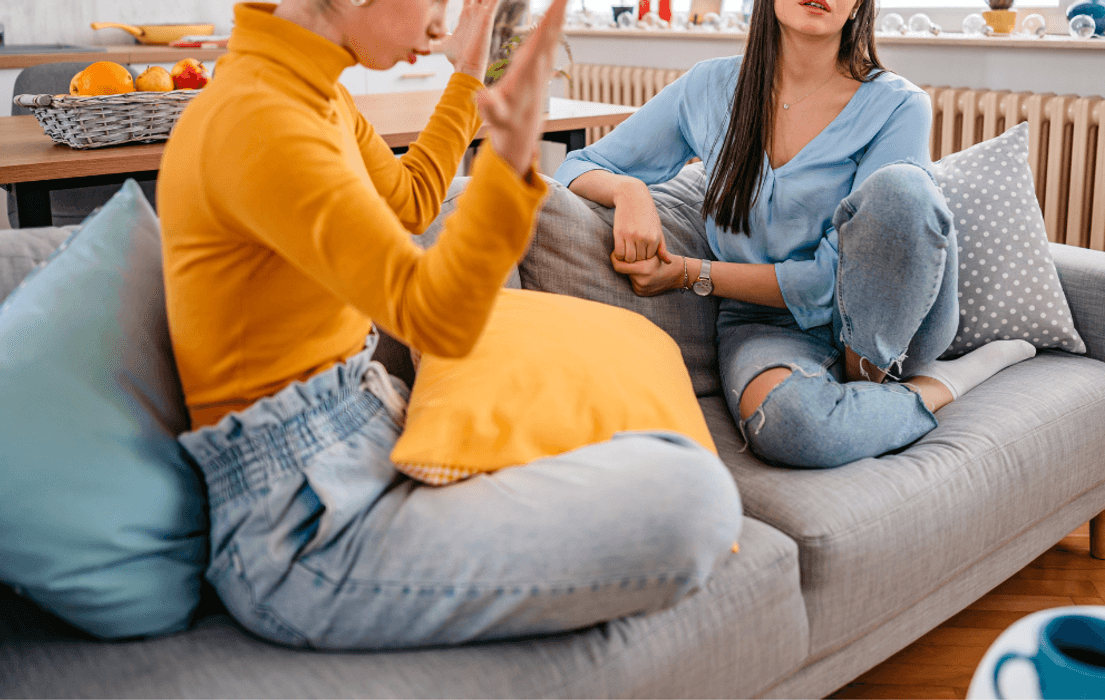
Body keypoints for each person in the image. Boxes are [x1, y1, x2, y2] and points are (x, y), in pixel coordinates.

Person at [157, 0, 741, 650]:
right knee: (694, 498)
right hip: (300, 528)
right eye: (437, 1)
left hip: (356, 438)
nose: (441, 24)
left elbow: (409, 202)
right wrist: (511, 145)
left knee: (661, 451)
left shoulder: (309, 94)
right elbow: (433, 316)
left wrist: (472, 76)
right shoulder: (259, 120)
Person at [555, 0, 1035, 470]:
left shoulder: (898, 104)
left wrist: (688, 273)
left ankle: (877, 376)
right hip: (764, 324)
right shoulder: (709, 87)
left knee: (902, 188)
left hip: (893, 314)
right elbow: (579, 163)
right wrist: (630, 191)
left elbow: (835, 281)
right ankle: (930, 390)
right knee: (786, 423)